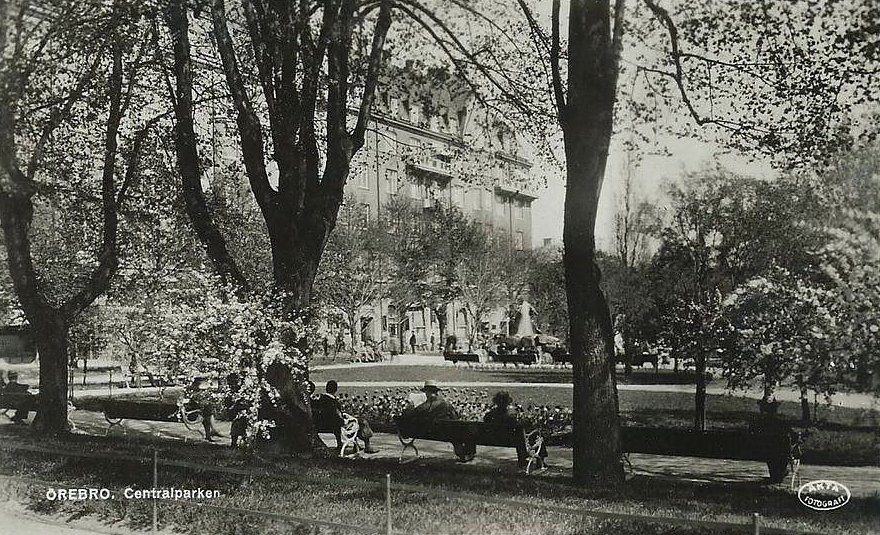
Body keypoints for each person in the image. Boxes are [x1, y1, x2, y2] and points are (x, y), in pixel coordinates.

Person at [401, 380, 475, 462]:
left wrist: (409, 406)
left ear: (427, 392)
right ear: (436, 392)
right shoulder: (446, 405)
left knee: (454, 433)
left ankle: (462, 454)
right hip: (447, 432)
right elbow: (455, 417)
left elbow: (408, 415)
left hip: (428, 433)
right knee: (465, 430)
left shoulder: (423, 407)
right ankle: (466, 454)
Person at [483, 391, 546, 468]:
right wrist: (528, 421)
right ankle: (540, 460)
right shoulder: (509, 417)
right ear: (507, 403)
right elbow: (518, 426)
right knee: (536, 436)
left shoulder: (488, 415)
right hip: (510, 440)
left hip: (492, 439)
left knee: (518, 435)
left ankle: (522, 460)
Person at [313, 380, 378, 453]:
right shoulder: (331, 401)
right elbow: (334, 415)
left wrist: (344, 415)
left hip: (326, 424)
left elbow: (333, 413)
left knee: (355, 421)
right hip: (336, 424)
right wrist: (346, 420)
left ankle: (350, 444)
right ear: (335, 389)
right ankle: (367, 446)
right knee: (362, 422)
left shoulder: (322, 399)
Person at [187, 376, 224, 442]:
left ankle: (210, 434)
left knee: (208, 411)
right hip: (193, 413)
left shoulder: (199, 393)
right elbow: (195, 404)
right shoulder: (194, 394)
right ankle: (213, 431)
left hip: (200, 411)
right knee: (208, 410)